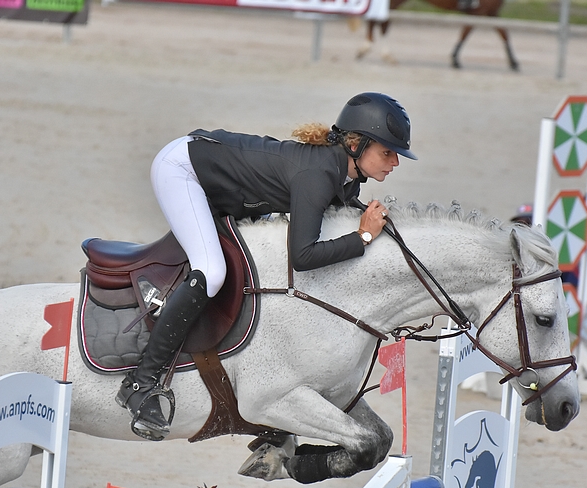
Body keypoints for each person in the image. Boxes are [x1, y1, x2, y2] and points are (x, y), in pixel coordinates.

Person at [116, 92, 417, 441]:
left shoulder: (343, 174)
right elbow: (302, 258)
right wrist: (363, 237)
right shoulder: (317, 174)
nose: (395, 162)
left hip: (226, 186)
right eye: (387, 152)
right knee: (212, 271)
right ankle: (140, 381)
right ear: (356, 144)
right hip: (183, 171)